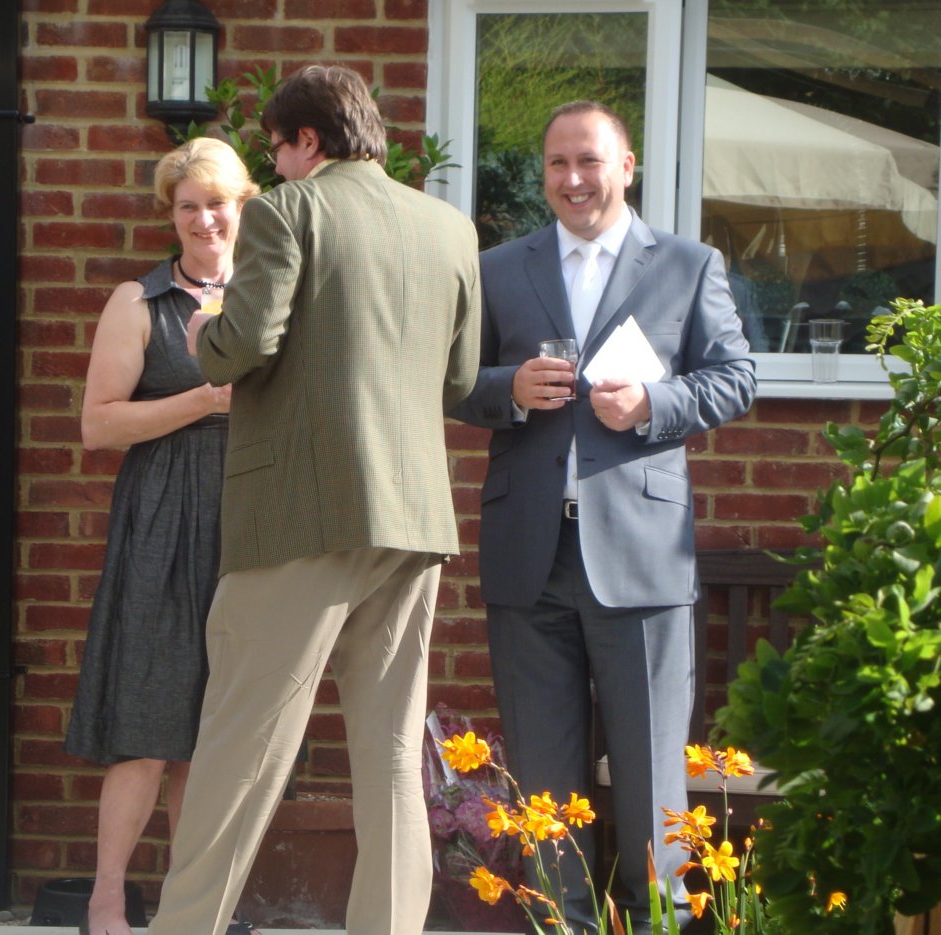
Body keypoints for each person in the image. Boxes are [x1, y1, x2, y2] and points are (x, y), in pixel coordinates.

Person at [146, 64, 481, 935]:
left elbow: (244, 342)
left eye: (278, 149)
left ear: (307, 140)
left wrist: (203, 332)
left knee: (238, 751)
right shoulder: (450, 227)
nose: (277, 166)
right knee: (394, 756)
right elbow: (461, 379)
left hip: (299, 511)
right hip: (413, 520)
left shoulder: (288, 211)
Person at [450, 101, 756, 932]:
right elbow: (454, 380)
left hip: (640, 557)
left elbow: (735, 377)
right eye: (557, 163)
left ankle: (658, 923)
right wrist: (508, 389)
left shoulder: (687, 264)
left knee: (654, 781)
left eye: (589, 160)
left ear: (626, 167)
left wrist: (653, 402)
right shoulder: (499, 267)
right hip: (530, 554)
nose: (573, 178)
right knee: (545, 788)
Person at [64, 137, 259, 935]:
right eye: (188, 207)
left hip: (250, 525)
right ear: (171, 215)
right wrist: (204, 401)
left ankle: (194, 910)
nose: (204, 219)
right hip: (162, 523)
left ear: (242, 206)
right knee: (147, 726)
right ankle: (107, 899)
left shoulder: (273, 298)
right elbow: (98, 424)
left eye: (217, 203)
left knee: (215, 738)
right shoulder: (138, 302)